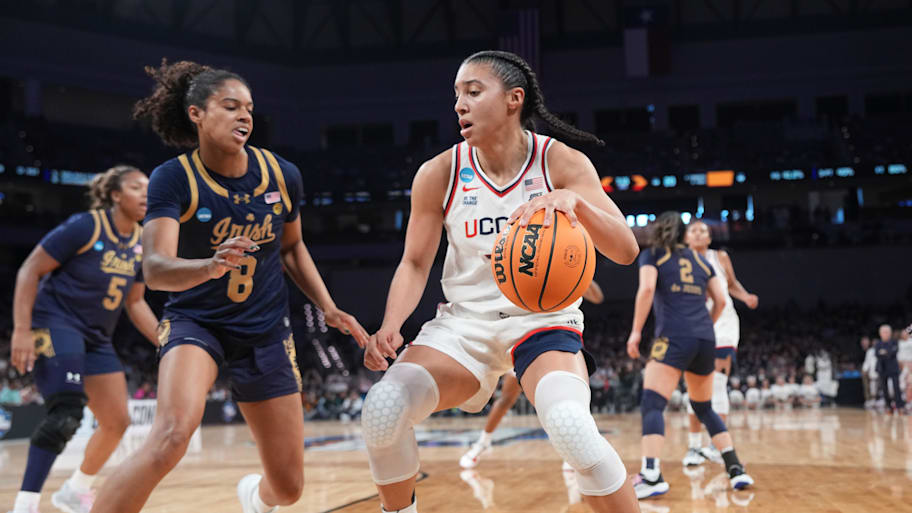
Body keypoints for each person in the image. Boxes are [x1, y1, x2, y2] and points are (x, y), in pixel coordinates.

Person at [360, 50, 641, 513]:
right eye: (456, 95)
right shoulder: (440, 173)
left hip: (542, 320)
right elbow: (414, 263)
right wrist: (392, 324)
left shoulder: (560, 162)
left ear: (514, 99)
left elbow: (627, 250)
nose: (459, 105)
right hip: (464, 327)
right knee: (383, 408)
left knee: (571, 423)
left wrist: (576, 202)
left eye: (473, 92)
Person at [89, 60, 369, 513]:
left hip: (264, 330)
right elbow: (156, 269)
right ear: (197, 113)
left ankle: (254, 500)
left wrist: (329, 307)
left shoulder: (281, 175)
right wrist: (209, 266)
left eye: (250, 109)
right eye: (231, 106)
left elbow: (292, 249)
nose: (245, 116)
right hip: (196, 323)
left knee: (289, 488)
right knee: (171, 437)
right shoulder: (174, 177)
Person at [8, 166, 159, 513]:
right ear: (116, 195)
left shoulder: (141, 241)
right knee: (65, 414)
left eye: (149, 188)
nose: (146, 194)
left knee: (117, 421)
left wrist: (165, 339)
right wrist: (21, 329)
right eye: (137, 187)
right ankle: (25, 505)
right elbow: (30, 269)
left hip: (96, 337)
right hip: (54, 324)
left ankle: (74, 490)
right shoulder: (86, 226)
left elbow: (135, 302)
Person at [627, 212, 753, 499]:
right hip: (705, 338)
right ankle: (736, 468)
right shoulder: (700, 260)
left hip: (673, 336)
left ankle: (651, 474)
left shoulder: (653, 255)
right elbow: (721, 300)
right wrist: (705, 325)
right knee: (704, 406)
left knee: (653, 403)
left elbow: (646, 290)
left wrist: (635, 332)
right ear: (684, 233)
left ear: (658, 231)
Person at [458, 282, 604, 469]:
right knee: (506, 400)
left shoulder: (561, 266)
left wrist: (580, 273)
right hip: (516, 330)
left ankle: (575, 448)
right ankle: (483, 443)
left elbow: (597, 297)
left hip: (549, 332)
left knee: (566, 401)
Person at [681, 220, 758, 466]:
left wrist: (745, 296)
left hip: (723, 324)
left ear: (709, 238)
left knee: (718, 385)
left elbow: (732, 284)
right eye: (694, 230)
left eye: (703, 230)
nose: (699, 233)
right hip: (695, 325)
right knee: (694, 390)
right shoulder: (680, 260)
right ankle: (694, 447)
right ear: (686, 238)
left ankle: (715, 445)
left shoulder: (720, 257)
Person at [874, 324, 904, 414]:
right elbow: (877, 354)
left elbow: (893, 352)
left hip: (893, 368)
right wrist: (887, 353)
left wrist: (885, 352)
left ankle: (900, 406)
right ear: (880, 333)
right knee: (884, 388)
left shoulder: (894, 342)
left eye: (887, 332)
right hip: (882, 368)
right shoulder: (878, 343)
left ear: (890, 333)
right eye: (883, 332)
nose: (885, 334)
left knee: (896, 387)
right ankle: (888, 406)